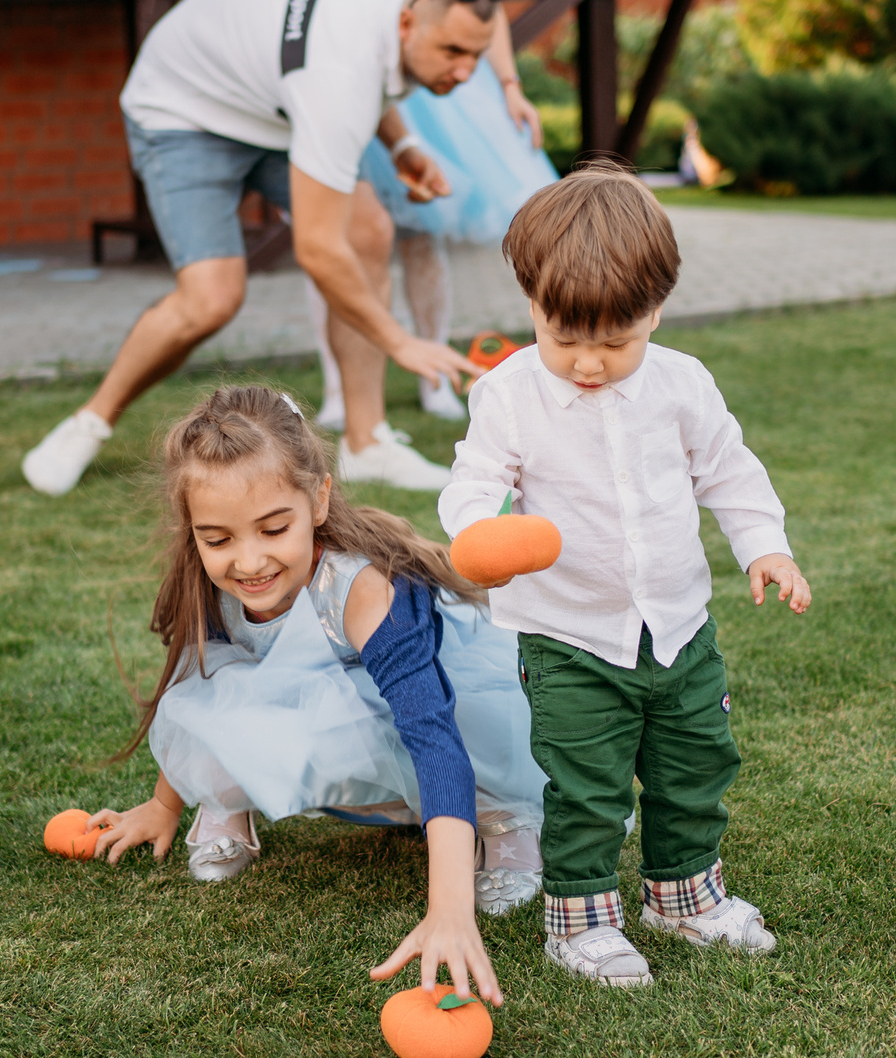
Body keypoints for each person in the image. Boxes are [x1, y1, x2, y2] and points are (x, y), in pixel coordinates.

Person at [439, 168, 811, 988]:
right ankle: (582, 918)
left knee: (695, 763)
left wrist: (764, 547)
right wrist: (478, 529)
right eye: (565, 337)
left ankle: (682, 896)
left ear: (658, 307)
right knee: (587, 783)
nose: (589, 363)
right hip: (570, 635)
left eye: (616, 341)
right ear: (531, 300)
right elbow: (473, 480)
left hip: (677, 625)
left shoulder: (682, 385)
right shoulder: (509, 395)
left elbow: (729, 474)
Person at [83, 385, 549, 1001]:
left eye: (274, 528)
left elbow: (432, 735)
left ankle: (502, 818)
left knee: (466, 740)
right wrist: (164, 804)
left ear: (319, 498)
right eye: (217, 538)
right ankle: (224, 800)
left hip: (427, 710)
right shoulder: (208, 582)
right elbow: (199, 684)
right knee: (230, 683)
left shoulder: (363, 591)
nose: (248, 561)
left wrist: (449, 910)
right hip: (315, 699)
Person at [19, 0, 501, 498]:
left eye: (476, 56)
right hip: (186, 107)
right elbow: (317, 249)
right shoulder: (338, 70)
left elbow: (375, 81)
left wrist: (403, 145)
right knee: (212, 298)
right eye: (453, 54)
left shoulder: (405, 1)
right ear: (408, 24)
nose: (463, 73)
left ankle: (368, 445)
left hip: (272, 106)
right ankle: (89, 423)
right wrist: (400, 342)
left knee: (368, 232)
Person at [281, 0, 556, 427]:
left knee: (423, 233)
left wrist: (511, 85)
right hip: (350, 76)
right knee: (346, 234)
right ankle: (343, 388)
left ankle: (434, 374)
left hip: (439, 89)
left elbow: (482, 3)